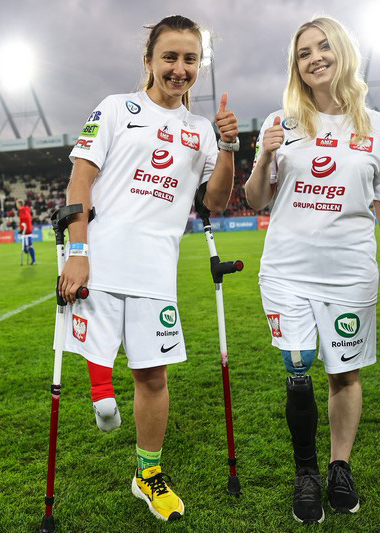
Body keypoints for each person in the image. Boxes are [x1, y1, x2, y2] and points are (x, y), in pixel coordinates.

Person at [58, 14, 239, 522]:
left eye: (190, 59)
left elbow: (216, 201)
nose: (180, 68)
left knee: (153, 377)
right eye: (170, 57)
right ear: (149, 60)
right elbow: (80, 181)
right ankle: (101, 397)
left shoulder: (200, 131)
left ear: (199, 66)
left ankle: (147, 473)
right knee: (97, 356)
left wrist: (228, 148)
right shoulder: (117, 108)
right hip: (98, 262)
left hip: (156, 272)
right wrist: (78, 252)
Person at [244, 16, 380, 525]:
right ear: (295, 66)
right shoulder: (282, 122)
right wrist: (264, 158)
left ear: (343, 52)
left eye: (322, 47)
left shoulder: (378, 127)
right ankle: (306, 474)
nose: (314, 58)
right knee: (297, 368)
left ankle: (340, 467)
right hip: (286, 271)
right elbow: (256, 200)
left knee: (344, 373)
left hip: (350, 274)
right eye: (303, 53)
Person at [16, 199, 36, 265]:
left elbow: (26, 219)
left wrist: (23, 229)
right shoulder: (24, 210)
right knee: (26, 247)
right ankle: (33, 259)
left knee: (28, 246)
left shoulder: (23, 211)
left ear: (19, 204)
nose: (16, 205)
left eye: (17, 204)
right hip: (26, 230)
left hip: (26, 231)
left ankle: (33, 260)